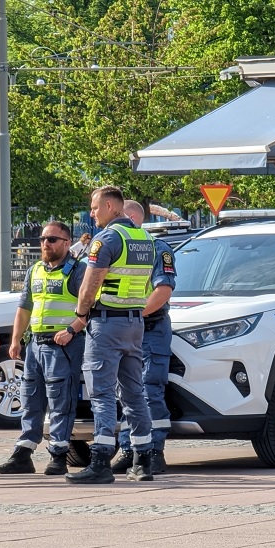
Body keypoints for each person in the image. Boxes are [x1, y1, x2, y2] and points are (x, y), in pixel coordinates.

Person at [65, 185, 156, 485]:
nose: (91, 213)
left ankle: (101, 460)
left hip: (106, 324)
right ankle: (143, 459)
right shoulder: (145, 238)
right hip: (134, 324)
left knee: (102, 393)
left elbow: (91, 283)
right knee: (134, 393)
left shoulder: (107, 239)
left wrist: (80, 315)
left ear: (110, 207)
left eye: (94, 207)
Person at [0, 221, 87, 477]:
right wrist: (15, 340)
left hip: (63, 345)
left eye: (52, 239)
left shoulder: (78, 271)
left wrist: (72, 331)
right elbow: (24, 307)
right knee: (30, 398)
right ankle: (23, 452)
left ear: (67, 243)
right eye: (43, 239)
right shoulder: (35, 270)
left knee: (60, 399)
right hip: (36, 343)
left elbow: (90, 308)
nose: (45, 243)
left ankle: (58, 454)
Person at [111, 200, 176, 475]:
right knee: (125, 393)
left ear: (132, 217)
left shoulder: (156, 248)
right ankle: (130, 450)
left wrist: (134, 315)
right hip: (125, 328)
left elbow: (162, 290)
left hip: (150, 328)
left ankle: (153, 452)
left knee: (150, 390)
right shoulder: (116, 248)